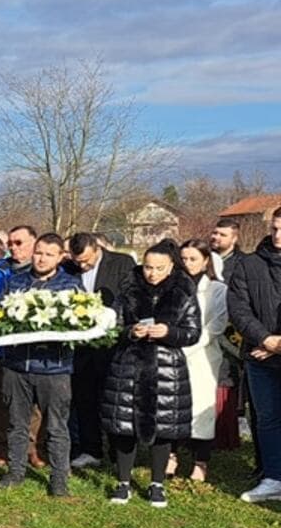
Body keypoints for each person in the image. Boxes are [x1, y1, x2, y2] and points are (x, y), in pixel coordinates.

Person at [102, 246, 201, 506]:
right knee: (124, 425)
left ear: (171, 267)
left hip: (166, 367)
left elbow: (193, 332)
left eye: (159, 268)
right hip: (129, 365)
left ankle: (157, 484)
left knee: (163, 426)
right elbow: (113, 328)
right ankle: (123, 482)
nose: (152, 274)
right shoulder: (128, 289)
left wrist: (168, 332)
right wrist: (130, 332)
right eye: (148, 267)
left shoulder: (184, 291)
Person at [0, 233, 77, 497]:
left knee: (56, 426)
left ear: (60, 257)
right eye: (38, 252)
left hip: (54, 368)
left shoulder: (70, 286)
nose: (41, 258)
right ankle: (16, 470)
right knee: (17, 422)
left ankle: (58, 478)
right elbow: (0, 315)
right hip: (17, 365)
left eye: (48, 254)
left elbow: (80, 323)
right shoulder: (16, 282)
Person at [225, 208, 281, 502]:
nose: (278, 236)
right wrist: (265, 339)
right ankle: (273, 477)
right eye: (274, 229)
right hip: (261, 357)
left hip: (270, 349)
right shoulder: (249, 264)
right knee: (267, 418)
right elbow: (238, 308)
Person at [65, 232, 134, 469]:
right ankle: (90, 450)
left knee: (114, 402)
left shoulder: (122, 263)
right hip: (82, 348)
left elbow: (129, 298)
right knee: (84, 400)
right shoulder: (69, 268)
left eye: (86, 260)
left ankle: (118, 454)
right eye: (77, 261)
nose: (82, 265)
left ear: (97, 248)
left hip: (112, 346)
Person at [175, 240, 228, 482]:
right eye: (183, 259)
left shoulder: (217, 290)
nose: (187, 264)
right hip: (173, 354)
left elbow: (215, 326)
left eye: (193, 259)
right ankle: (171, 455)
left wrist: (186, 347)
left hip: (203, 357)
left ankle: (200, 461)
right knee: (173, 406)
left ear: (206, 260)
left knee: (200, 409)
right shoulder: (173, 286)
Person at [0, 225, 39, 465]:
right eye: (11, 243)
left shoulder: (41, 271)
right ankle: (1, 446)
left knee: (35, 402)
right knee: (3, 398)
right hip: (5, 346)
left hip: (35, 348)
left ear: (34, 243)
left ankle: (32, 447)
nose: (13, 248)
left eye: (19, 243)